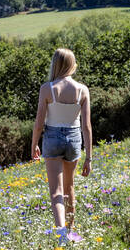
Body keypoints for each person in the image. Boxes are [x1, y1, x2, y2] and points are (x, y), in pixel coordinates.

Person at [31, 48, 92, 235]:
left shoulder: (47, 88)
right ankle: (72, 231)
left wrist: (34, 144)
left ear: (55, 64)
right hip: (74, 138)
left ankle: (61, 233)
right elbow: (87, 126)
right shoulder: (82, 89)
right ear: (72, 65)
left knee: (55, 191)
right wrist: (89, 157)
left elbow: (39, 122)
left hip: (52, 137)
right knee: (69, 187)